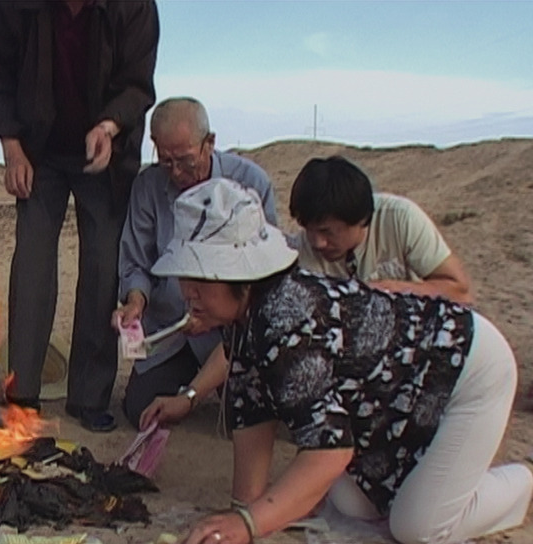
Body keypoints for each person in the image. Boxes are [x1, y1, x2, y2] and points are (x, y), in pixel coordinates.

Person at [151, 179, 531, 544]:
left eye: (200, 279)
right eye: (185, 278)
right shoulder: (246, 318)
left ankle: (520, 484)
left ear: (242, 276)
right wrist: (240, 512)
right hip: (400, 393)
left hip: (465, 368)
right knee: (351, 503)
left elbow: (330, 451)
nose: (188, 294)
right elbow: (253, 412)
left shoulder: (288, 320)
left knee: (418, 528)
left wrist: (248, 524)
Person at [0, 0, 159, 432]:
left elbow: (137, 84)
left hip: (106, 153)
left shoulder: (134, 5)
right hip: (37, 149)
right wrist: (11, 147)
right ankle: (22, 394)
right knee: (32, 265)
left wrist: (109, 126)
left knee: (102, 266)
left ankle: (89, 397)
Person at [112, 97, 277, 429]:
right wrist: (135, 301)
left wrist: (215, 315)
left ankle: (211, 386)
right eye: (166, 161)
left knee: (247, 416)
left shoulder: (251, 183)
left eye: (186, 161)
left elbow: (266, 274)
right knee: (141, 409)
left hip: (232, 330)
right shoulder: (147, 187)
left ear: (209, 143)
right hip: (174, 329)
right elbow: (136, 262)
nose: (176, 172)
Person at [290, 155, 474, 305]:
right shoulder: (300, 252)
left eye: (327, 231)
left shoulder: (401, 218)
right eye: (308, 229)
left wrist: (392, 291)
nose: (317, 243)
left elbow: (459, 291)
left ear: (361, 219)